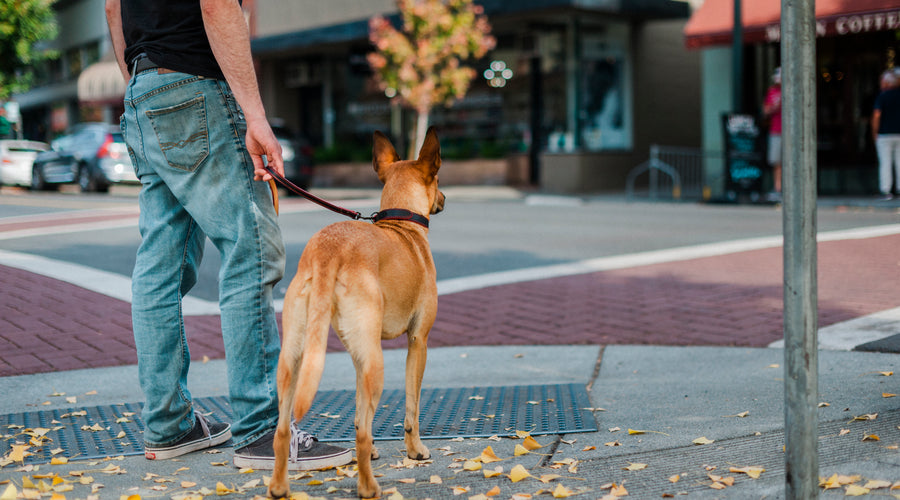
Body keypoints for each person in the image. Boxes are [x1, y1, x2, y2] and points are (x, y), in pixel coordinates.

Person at [105, 0, 351, 470]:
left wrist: (145, 88)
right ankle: (261, 430)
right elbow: (217, 5)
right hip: (196, 84)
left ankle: (169, 424)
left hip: (142, 88)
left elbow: (114, 6)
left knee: (161, 261)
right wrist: (256, 117)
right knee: (251, 247)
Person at [872, 69, 900, 200]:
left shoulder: (882, 96)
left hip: (885, 134)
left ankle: (886, 190)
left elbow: (877, 115)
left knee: (885, 162)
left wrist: (875, 132)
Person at [762, 66, 782, 200]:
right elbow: (765, 111)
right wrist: (776, 106)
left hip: (791, 132)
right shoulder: (772, 91)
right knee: (776, 161)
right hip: (776, 130)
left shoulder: (793, 90)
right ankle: (778, 188)